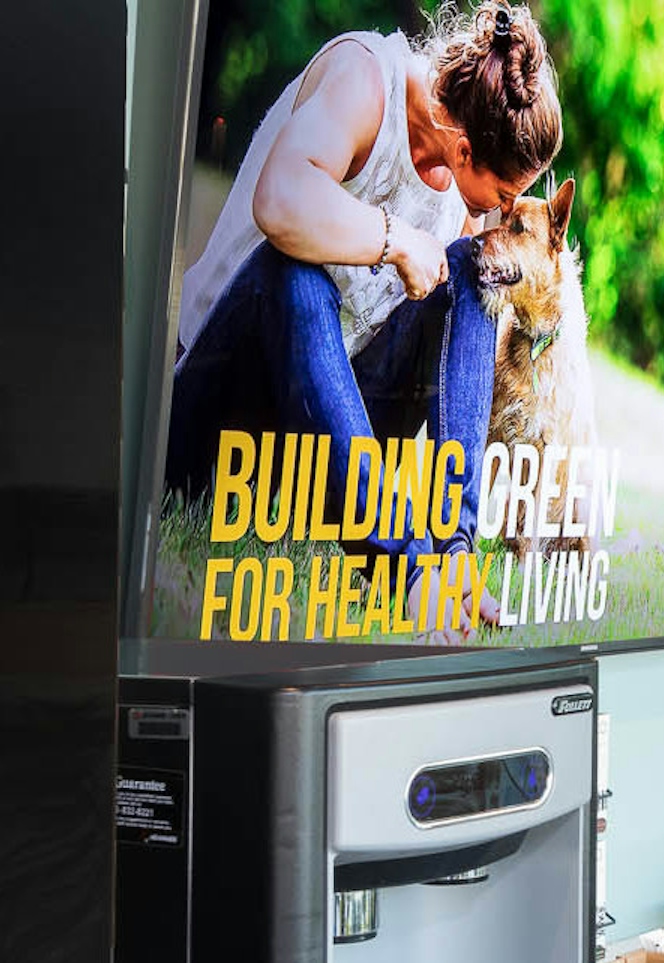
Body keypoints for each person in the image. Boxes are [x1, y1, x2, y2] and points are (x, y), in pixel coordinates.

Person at [163, 2, 563, 562]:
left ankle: (454, 554)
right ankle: (407, 566)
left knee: (471, 270)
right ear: (466, 149)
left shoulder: (460, 192)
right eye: (501, 196)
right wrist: (397, 240)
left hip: (314, 441)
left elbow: (461, 342)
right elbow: (279, 200)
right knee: (298, 272)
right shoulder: (365, 78)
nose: (500, 213)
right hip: (220, 406)